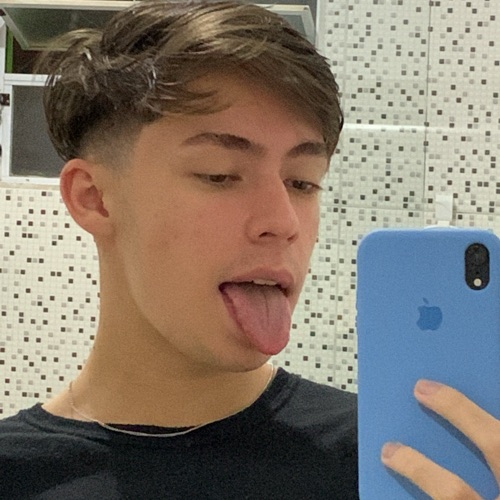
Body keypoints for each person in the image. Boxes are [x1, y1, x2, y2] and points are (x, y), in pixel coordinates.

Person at [0, 1, 498, 498]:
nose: (283, 223)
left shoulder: (390, 465)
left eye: (302, 182)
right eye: (219, 175)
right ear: (94, 198)